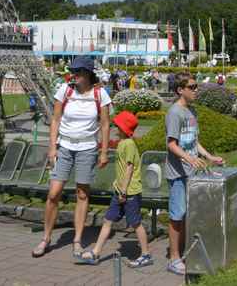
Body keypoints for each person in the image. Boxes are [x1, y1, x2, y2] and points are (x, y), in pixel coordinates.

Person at [33, 56, 111, 260]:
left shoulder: (99, 94)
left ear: (87, 74)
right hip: (65, 146)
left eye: (77, 72)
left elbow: (104, 124)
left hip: (87, 147)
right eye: (73, 72)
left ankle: (77, 239)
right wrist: (52, 147)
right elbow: (55, 120)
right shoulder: (65, 91)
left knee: (82, 195)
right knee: (53, 193)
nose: (73, 75)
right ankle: (46, 238)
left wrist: (103, 151)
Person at [165, 73, 225, 276]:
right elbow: (171, 144)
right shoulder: (175, 113)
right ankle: (173, 258)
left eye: (196, 86)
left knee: (187, 215)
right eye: (192, 87)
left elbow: (192, 141)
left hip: (192, 172)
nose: (196, 90)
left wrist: (209, 156)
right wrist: (188, 159)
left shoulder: (191, 112)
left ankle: (183, 253)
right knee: (177, 215)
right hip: (178, 173)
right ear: (180, 90)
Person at [76, 110, 152, 268]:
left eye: (118, 125)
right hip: (120, 191)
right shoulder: (123, 143)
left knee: (136, 223)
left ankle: (146, 255)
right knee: (108, 220)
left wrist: (123, 190)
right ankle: (96, 252)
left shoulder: (129, 144)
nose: (116, 128)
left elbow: (129, 168)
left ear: (124, 128)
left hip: (129, 192)